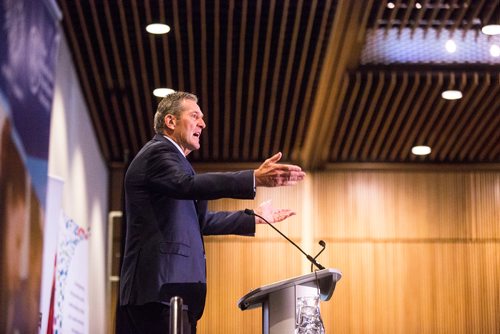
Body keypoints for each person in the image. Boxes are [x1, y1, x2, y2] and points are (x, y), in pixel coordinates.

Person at [118, 91, 306, 333]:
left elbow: (201, 222)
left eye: (202, 118)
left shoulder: (177, 163)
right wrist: (252, 178)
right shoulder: (158, 153)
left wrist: (254, 217)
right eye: (194, 115)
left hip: (175, 294)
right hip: (158, 290)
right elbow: (187, 185)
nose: (203, 123)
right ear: (170, 121)